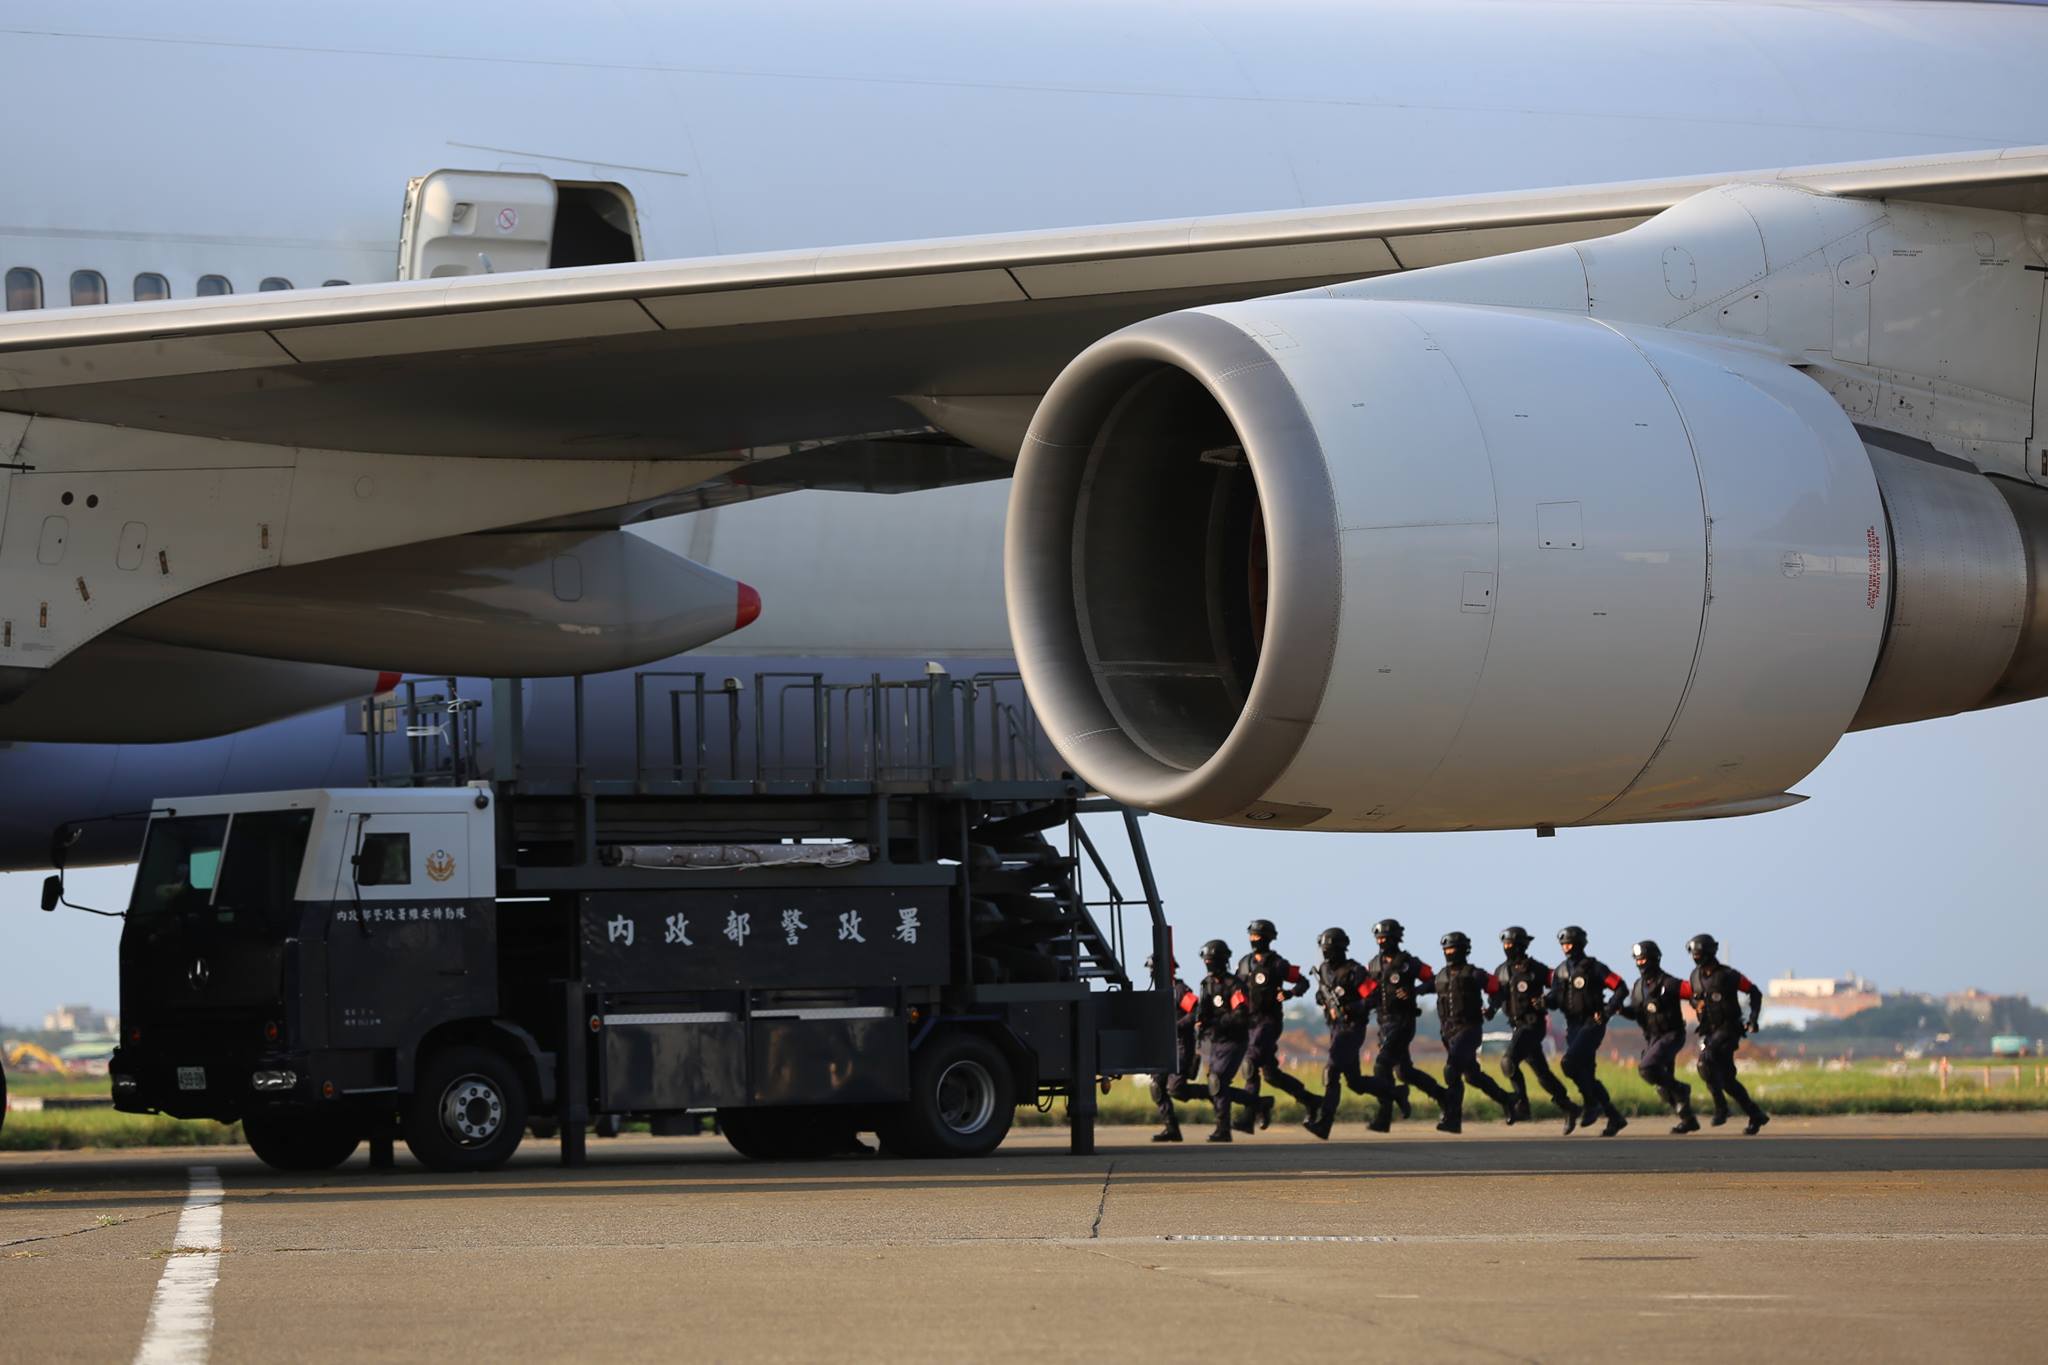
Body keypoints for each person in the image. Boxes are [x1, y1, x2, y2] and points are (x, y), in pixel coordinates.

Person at [1302, 926, 1404, 1139]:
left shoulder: (1354, 971)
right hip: (1335, 1028)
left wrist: (1351, 1008)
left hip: (1352, 1029)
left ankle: (1324, 1123)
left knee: (1331, 1071)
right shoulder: (1324, 970)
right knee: (1355, 1082)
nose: (1325, 952)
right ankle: (1395, 1092)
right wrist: (1323, 1000)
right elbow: (1319, 995)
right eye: (1324, 948)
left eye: (1328, 948)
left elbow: (1373, 997)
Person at [1361, 918, 1451, 1127]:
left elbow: (1435, 980)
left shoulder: (1410, 962)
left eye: (1386, 938)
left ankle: (1385, 1115)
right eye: (1379, 938)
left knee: (1381, 1066)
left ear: (1396, 939)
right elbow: (1365, 993)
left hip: (1403, 1022)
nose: (1382, 942)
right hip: (1383, 1022)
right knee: (1404, 1072)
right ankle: (1443, 1097)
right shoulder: (1373, 965)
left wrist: (1414, 991)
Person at [1234, 919, 1322, 1130]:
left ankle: (1251, 1113)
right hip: (1249, 1023)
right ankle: (1310, 1100)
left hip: (1268, 1022)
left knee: (1250, 1063)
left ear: (1268, 939)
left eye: (1258, 936)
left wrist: (1290, 993)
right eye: (1252, 936)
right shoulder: (1244, 964)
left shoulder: (1278, 963)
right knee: (1271, 1075)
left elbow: (1303, 982)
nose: (1254, 939)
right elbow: (1235, 991)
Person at [1491, 926, 1579, 1131]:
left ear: (1521, 946)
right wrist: (1490, 1009)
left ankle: (1522, 1104)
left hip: (1533, 1024)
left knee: (1508, 1061)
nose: (1507, 947)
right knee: (1542, 1073)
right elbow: (1496, 995)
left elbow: (1558, 985)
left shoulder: (1536, 969)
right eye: (1505, 944)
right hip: (1517, 1025)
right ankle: (1568, 1106)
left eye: (1510, 944)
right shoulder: (1501, 972)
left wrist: (1547, 1000)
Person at [1430, 932, 1519, 1133]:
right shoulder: (1441, 977)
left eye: (1453, 949)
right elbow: (1424, 987)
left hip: (1469, 1030)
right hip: (1449, 1033)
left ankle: (1453, 1118)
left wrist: (1491, 1009)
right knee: (1472, 1076)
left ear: (1463, 950)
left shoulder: (1475, 974)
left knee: (1451, 1070)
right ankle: (1507, 1099)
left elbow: (1499, 991)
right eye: (1446, 949)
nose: (1449, 953)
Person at [1546, 925, 1629, 1136]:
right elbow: (1554, 1000)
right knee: (1586, 1075)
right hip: (1572, 1026)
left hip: (1593, 1023)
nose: (1566, 947)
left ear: (1580, 944)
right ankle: (1614, 1117)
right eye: (1563, 944)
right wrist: (1542, 1002)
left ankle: (1592, 1104)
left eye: (1569, 943)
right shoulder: (1560, 971)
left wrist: (1608, 1011)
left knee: (1568, 1063)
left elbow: (1621, 987)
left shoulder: (1595, 968)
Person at [1684, 933, 1769, 1135]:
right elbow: (1693, 998)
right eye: (1693, 953)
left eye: (1698, 953)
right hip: (1709, 1030)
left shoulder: (1729, 975)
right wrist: (1697, 1004)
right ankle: (1755, 1114)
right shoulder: (1694, 976)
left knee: (1705, 1062)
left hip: (1729, 1029)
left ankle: (1721, 1108)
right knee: (1728, 1080)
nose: (1695, 957)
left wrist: (1753, 1019)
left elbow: (1754, 992)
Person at [1192, 938, 1273, 1141]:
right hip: (1215, 1041)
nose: (1208, 964)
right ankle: (1259, 1103)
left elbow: (1240, 1014)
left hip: (1234, 1041)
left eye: (1211, 960)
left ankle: (1223, 1129)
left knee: (1217, 1081)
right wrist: (1201, 1022)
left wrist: (1216, 1022)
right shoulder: (1207, 984)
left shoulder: (1234, 986)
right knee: (1216, 1085)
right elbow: (1203, 1010)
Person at [1617, 940, 1700, 1134]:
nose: (1640, 963)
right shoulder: (1638, 988)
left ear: (1654, 959)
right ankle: (1688, 1119)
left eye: (1644, 959)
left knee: (1647, 1068)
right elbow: (1636, 1013)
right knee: (1662, 1086)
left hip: (1672, 1035)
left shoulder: (1669, 983)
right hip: (1653, 1039)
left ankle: (1682, 1090)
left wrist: (1700, 1005)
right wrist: (1620, 1010)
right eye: (1637, 960)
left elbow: (1694, 992)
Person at [1148, 954, 1209, 1142]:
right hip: (1164, 1047)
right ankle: (1171, 1128)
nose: (1151, 972)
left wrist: (1176, 1026)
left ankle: (1215, 1094)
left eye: (1154, 968)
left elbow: (1196, 1011)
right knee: (1157, 1087)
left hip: (1181, 1047)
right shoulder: (1157, 992)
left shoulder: (1179, 990)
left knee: (1176, 1089)